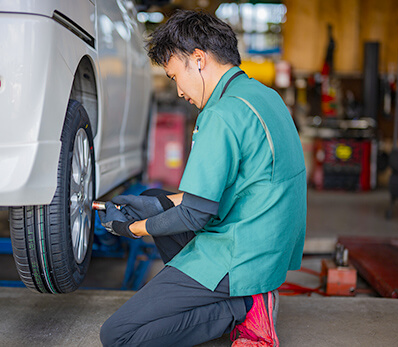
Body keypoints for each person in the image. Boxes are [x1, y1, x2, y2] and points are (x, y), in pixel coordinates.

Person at [98, 10, 306, 347]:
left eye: (174, 75)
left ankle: (241, 305)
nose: (178, 91)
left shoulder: (220, 115)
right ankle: (242, 297)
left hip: (241, 255)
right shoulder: (264, 96)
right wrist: (153, 204)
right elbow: (232, 189)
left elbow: (195, 213)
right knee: (155, 199)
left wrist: (131, 229)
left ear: (198, 60)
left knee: (118, 335)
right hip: (269, 245)